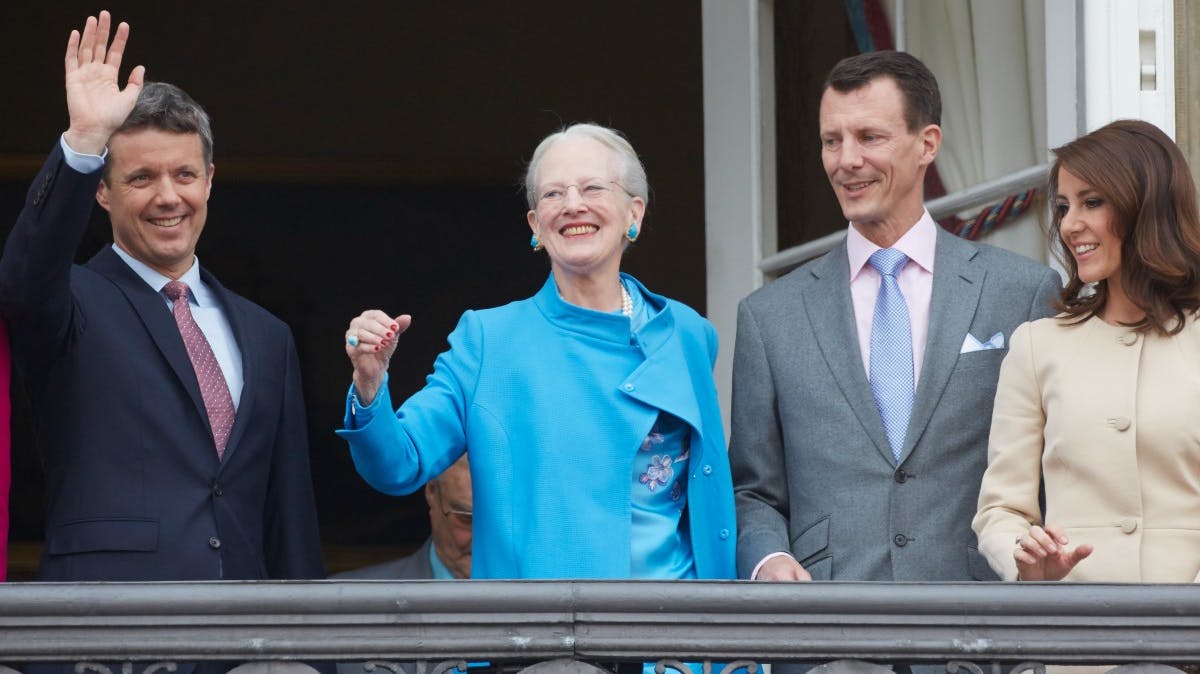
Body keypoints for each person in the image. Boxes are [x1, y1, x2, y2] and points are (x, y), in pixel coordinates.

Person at [0, 12, 324, 584]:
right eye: (142, 178)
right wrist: (83, 143)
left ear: (210, 180)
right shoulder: (71, 302)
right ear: (101, 189)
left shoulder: (267, 336)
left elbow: (287, 520)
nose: (168, 197)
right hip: (110, 630)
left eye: (184, 175)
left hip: (243, 642)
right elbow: (26, 276)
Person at [337, 123, 736, 581]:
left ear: (635, 214)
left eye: (592, 187)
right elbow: (399, 464)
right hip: (546, 637)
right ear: (535, 227)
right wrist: (370, 386)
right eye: (552, 194)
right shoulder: (488, 339)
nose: (572, 205)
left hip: (678, 636)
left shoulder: (687, 333)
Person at [729, 50, 1061, 585]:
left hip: (978, 627)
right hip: (828, 634)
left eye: (869, 137)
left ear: (927, 143)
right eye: (831, 141)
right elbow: (753, 490)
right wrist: (768, 558)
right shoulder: (769, 317)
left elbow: (1052, 469)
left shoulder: (1021, 292)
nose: (846, 160)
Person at [973, 119, 1200, 584]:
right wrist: (1027, 558)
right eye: (1063, 206)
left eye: (1092, 202)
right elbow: (1000, 510)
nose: (1070, 224)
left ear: (1148, 206)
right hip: (1080, 643)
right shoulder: (1038, 346)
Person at [337, 455, 472, 580]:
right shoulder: (340, 601)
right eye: (467, 518)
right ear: (432, 491)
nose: (488, 539)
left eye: (494, 520)